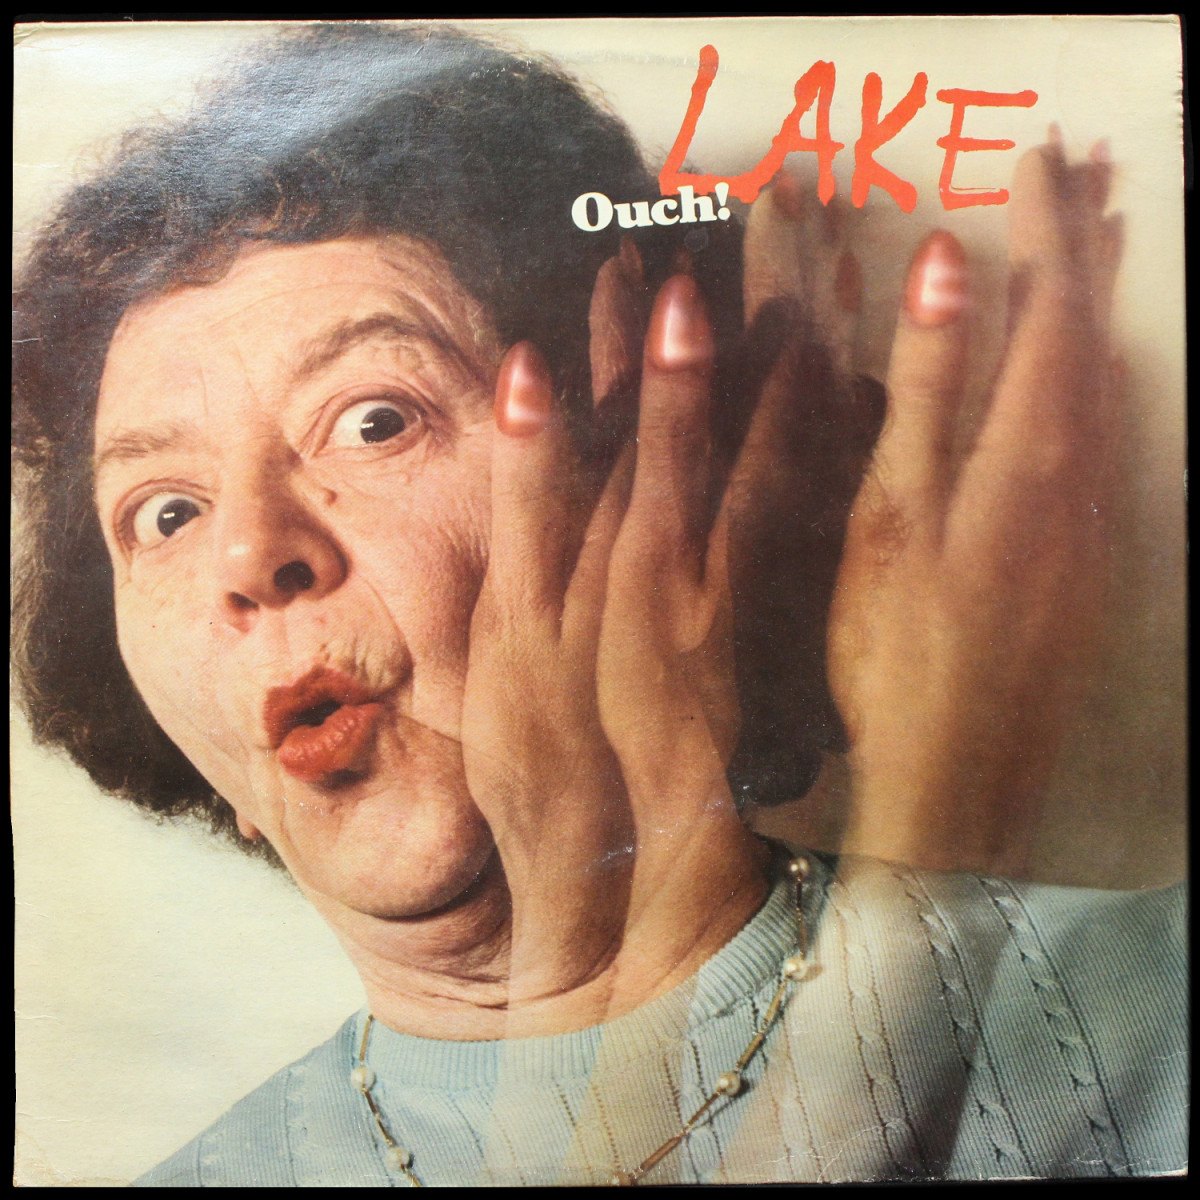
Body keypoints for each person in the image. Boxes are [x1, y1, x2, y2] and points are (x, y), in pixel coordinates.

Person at [12, 22, 1185, 1185]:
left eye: (375, 420)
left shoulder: (1157, 1009)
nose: (250, 555)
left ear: (649, 471)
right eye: (165, 513)